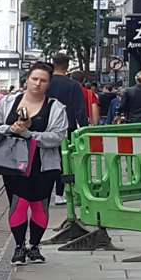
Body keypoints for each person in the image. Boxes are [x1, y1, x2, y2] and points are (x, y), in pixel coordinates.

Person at [0, 62, 72, 265]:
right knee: (18, 204)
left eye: (43, 80)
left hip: (43, 165)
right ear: (27, 79)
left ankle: (35, 246)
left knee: (39, 205)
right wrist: (11, 128)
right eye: (34, 79)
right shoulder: (8, 102)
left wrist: (29, 134)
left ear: (48, 84)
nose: (37, 83)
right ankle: (19, 246)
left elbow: (57, 136)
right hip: (13, 163)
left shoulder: (55, 107)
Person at [45, 53, 90, 203]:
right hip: (67, 127)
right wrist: (84, 128)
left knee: (45, 159)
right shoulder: (74, 85)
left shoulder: (45, 82)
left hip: (45, 126)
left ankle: (43, 193)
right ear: (67, 66)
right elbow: (80, 109)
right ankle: (59, 193)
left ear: (53, 63)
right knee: (65, 161)